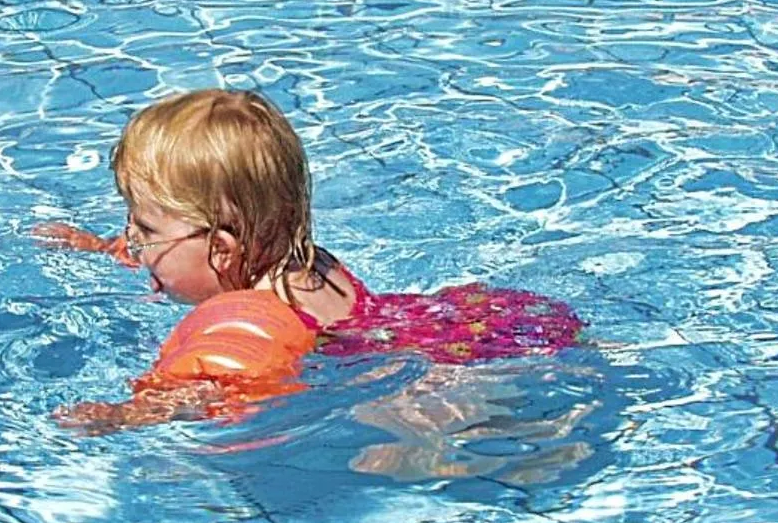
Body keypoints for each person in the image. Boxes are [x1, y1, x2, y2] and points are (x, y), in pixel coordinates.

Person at [36, 90, 583, 431]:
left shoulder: (248, 315)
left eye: (146, 231)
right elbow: (183, 257)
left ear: (222, 248)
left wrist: (124, 415)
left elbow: (220, 387)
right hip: (469, 323)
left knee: (400, 453)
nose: (133, 240)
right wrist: (100, 248)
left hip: (429, 377)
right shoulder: (302, 261)